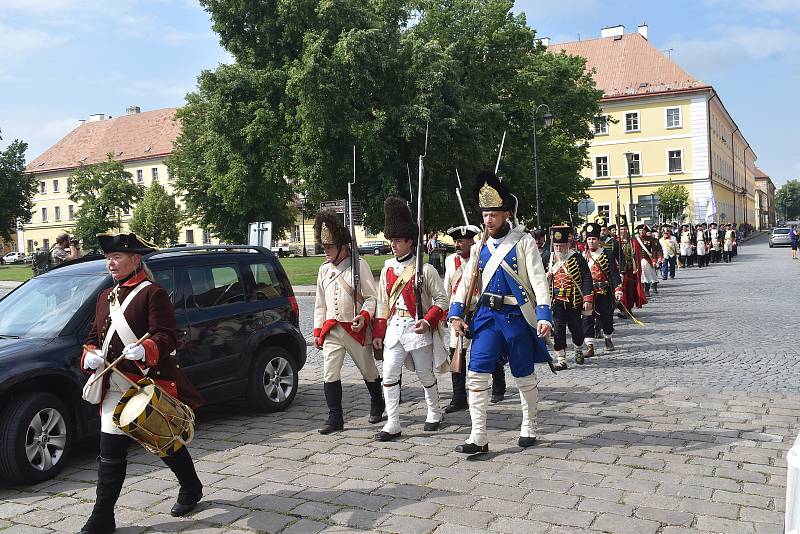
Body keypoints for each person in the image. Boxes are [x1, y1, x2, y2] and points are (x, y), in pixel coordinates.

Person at [79, 233, 204, 534]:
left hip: (146, 384)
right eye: (107, 257)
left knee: (164, 443)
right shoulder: (104, 298)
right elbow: (93, 339)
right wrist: (91, 355)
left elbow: (166, 336)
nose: (110, 261)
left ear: (135, 260)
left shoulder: (152, 293)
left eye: (116, 256)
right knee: (110, 454)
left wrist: (145, 350)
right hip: (114, 387)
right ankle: (102, 518)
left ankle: (191, 487)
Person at [449, 170, 553, 454]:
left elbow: (538, 279)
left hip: (516, 318)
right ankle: (478, 436)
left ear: (506, 213)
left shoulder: (523, 241)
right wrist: (456, 313)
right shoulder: (479, 244)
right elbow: (466, 281)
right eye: (484, 214)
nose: (487, 220)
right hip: (486, 319)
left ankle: (529, 425)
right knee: (477, 374)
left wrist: (543, 314)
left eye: (493, 214)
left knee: (523, 375)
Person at [372, 197, 449, 441]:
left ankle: (434, 413)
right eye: (391, 240)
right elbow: (383, 303)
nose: (393, 245)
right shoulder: (386, 269)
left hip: (417, 329)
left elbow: (441, 301)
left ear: (409, 242)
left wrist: (427, 321)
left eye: (397, 240)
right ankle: (393, 422)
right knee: (390, 375)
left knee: (425, 375)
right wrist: (378, 333)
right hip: (394, 330)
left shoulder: (425, 270)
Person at [313, 210, 384, 434]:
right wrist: (317, 331)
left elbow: (372, 298)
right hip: (332, 329)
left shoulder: (358, 265)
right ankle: (335, 417)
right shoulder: (324, 270)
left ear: (342, 247)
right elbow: (319, 304)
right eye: (324, 247)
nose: (325, 251)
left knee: (368, 370)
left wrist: (364, 317)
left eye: (329, 247)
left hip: (355, 328)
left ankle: (377, 401)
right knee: (329, 372)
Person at [443, 224, 481, 413]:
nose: (457, 244)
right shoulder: (450, 261)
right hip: (458, 314)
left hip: (478, 310)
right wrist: (447, 313)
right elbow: (447, 288)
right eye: (455, 241)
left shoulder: (480, 257)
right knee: (456, 353)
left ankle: (499, 385)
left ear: (471, 241)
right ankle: (459, 397)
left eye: (461, 241)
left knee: (485, 349)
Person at [547, 225, 593, 370]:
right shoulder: (548, 259)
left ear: (568, 244)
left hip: (574, 301)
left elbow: (587, 278)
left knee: (577, 329)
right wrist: (546, 276)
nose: (559, 249)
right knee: (558, 330)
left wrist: (587, 298)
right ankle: (561, 360)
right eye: (556, 245)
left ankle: (578, 349)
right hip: (557, 302)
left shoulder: (577, 258)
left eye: (561, 245)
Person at [581, 222, 622, 357]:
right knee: (587, 319)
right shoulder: (582, 256)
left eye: (593, 239)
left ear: (599, 240)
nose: (591, 242)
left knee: (607, 318)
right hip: (588, 292)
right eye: (589, 239)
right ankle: (590, 346)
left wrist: (617, 288)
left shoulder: (607, 254)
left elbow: (614, 273)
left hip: (603, 291)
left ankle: (608, 338)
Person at [617, 219, 647, 314]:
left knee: (630, 290)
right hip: (619, 270)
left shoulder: (632, 241)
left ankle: (628, 309)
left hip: (630, 270)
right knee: (620, 290)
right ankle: (622, 308)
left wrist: (636, 267)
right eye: (621, 229)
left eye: (625, 229)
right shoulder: (615, 242)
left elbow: (636, 256)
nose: (623, 231)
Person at [635, 225, 660, 296]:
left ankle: (647, 291)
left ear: (646, 231)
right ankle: (640, 290)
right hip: (638, 259)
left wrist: (654, 260)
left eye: (643, 230)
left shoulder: (650, 239)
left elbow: (654, 250)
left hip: (646, 259)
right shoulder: (635, 239)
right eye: (640, 230)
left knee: (647, 275)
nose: (641, 232)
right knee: (640, 275)